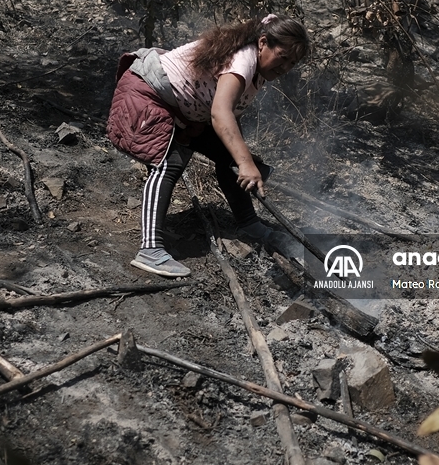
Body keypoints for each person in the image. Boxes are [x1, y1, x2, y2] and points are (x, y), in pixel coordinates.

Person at [106, 14, 310, 277]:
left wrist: (243, 159)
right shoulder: (244, 60)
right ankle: (150, 250)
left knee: (235, 159)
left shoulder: (256, 70)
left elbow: (228, 120)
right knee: (168, 163)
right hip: (148, 95)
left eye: (292, 63)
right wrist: (245, 163)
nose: (285, 67)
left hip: (180, 109)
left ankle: (249, 224)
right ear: (262, 43)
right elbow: (221, 114)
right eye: (283, 56)